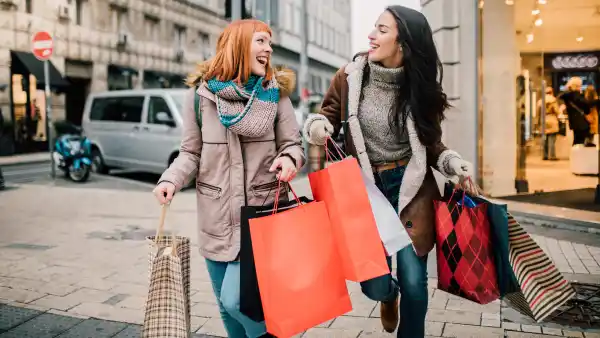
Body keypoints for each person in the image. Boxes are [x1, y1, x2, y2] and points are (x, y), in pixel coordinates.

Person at [303, 6, 473, 338]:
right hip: (366, 189)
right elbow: (325, 115)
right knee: (374, 283)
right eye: (374, 28)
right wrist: (319, 126)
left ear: (404, 43)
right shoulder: (349, 77)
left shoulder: (419, 88)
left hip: (411, 190)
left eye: (382, 30)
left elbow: (432, 143)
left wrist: (454, 165)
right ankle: (388, 295)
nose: (371, 35)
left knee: (414, 280)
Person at [152, 19, 304, 338]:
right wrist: (171, 180)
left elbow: (293, 144)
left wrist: (289, 159)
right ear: (238, 44)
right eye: (261, 41)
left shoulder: (276, 94)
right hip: (215, 217)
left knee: (237, 301)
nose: (269, 49)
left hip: (262, 216)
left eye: (270, 43)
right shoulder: (200, 96)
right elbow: (190, 152)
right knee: (224, 306)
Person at [559, 77, 594, 146]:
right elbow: (585, 104)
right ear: (576, 85)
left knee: (577, 140)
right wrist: (595, 102)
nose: (580, 87)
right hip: (580, 121)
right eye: (579, 85)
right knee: (580, 140)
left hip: (575, 121)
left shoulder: (568, 95)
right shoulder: (575, 94)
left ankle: (576, 155)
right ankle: (578, 156)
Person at [539, 87, 561, 160]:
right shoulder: (553, 100)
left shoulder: (540, 101)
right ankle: (552, 155)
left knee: (544, 139)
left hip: (543, 119)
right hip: (552, 119)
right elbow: (557, 111)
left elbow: (538, 112)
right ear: (551, 92)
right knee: (552, 138)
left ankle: (545, 155)